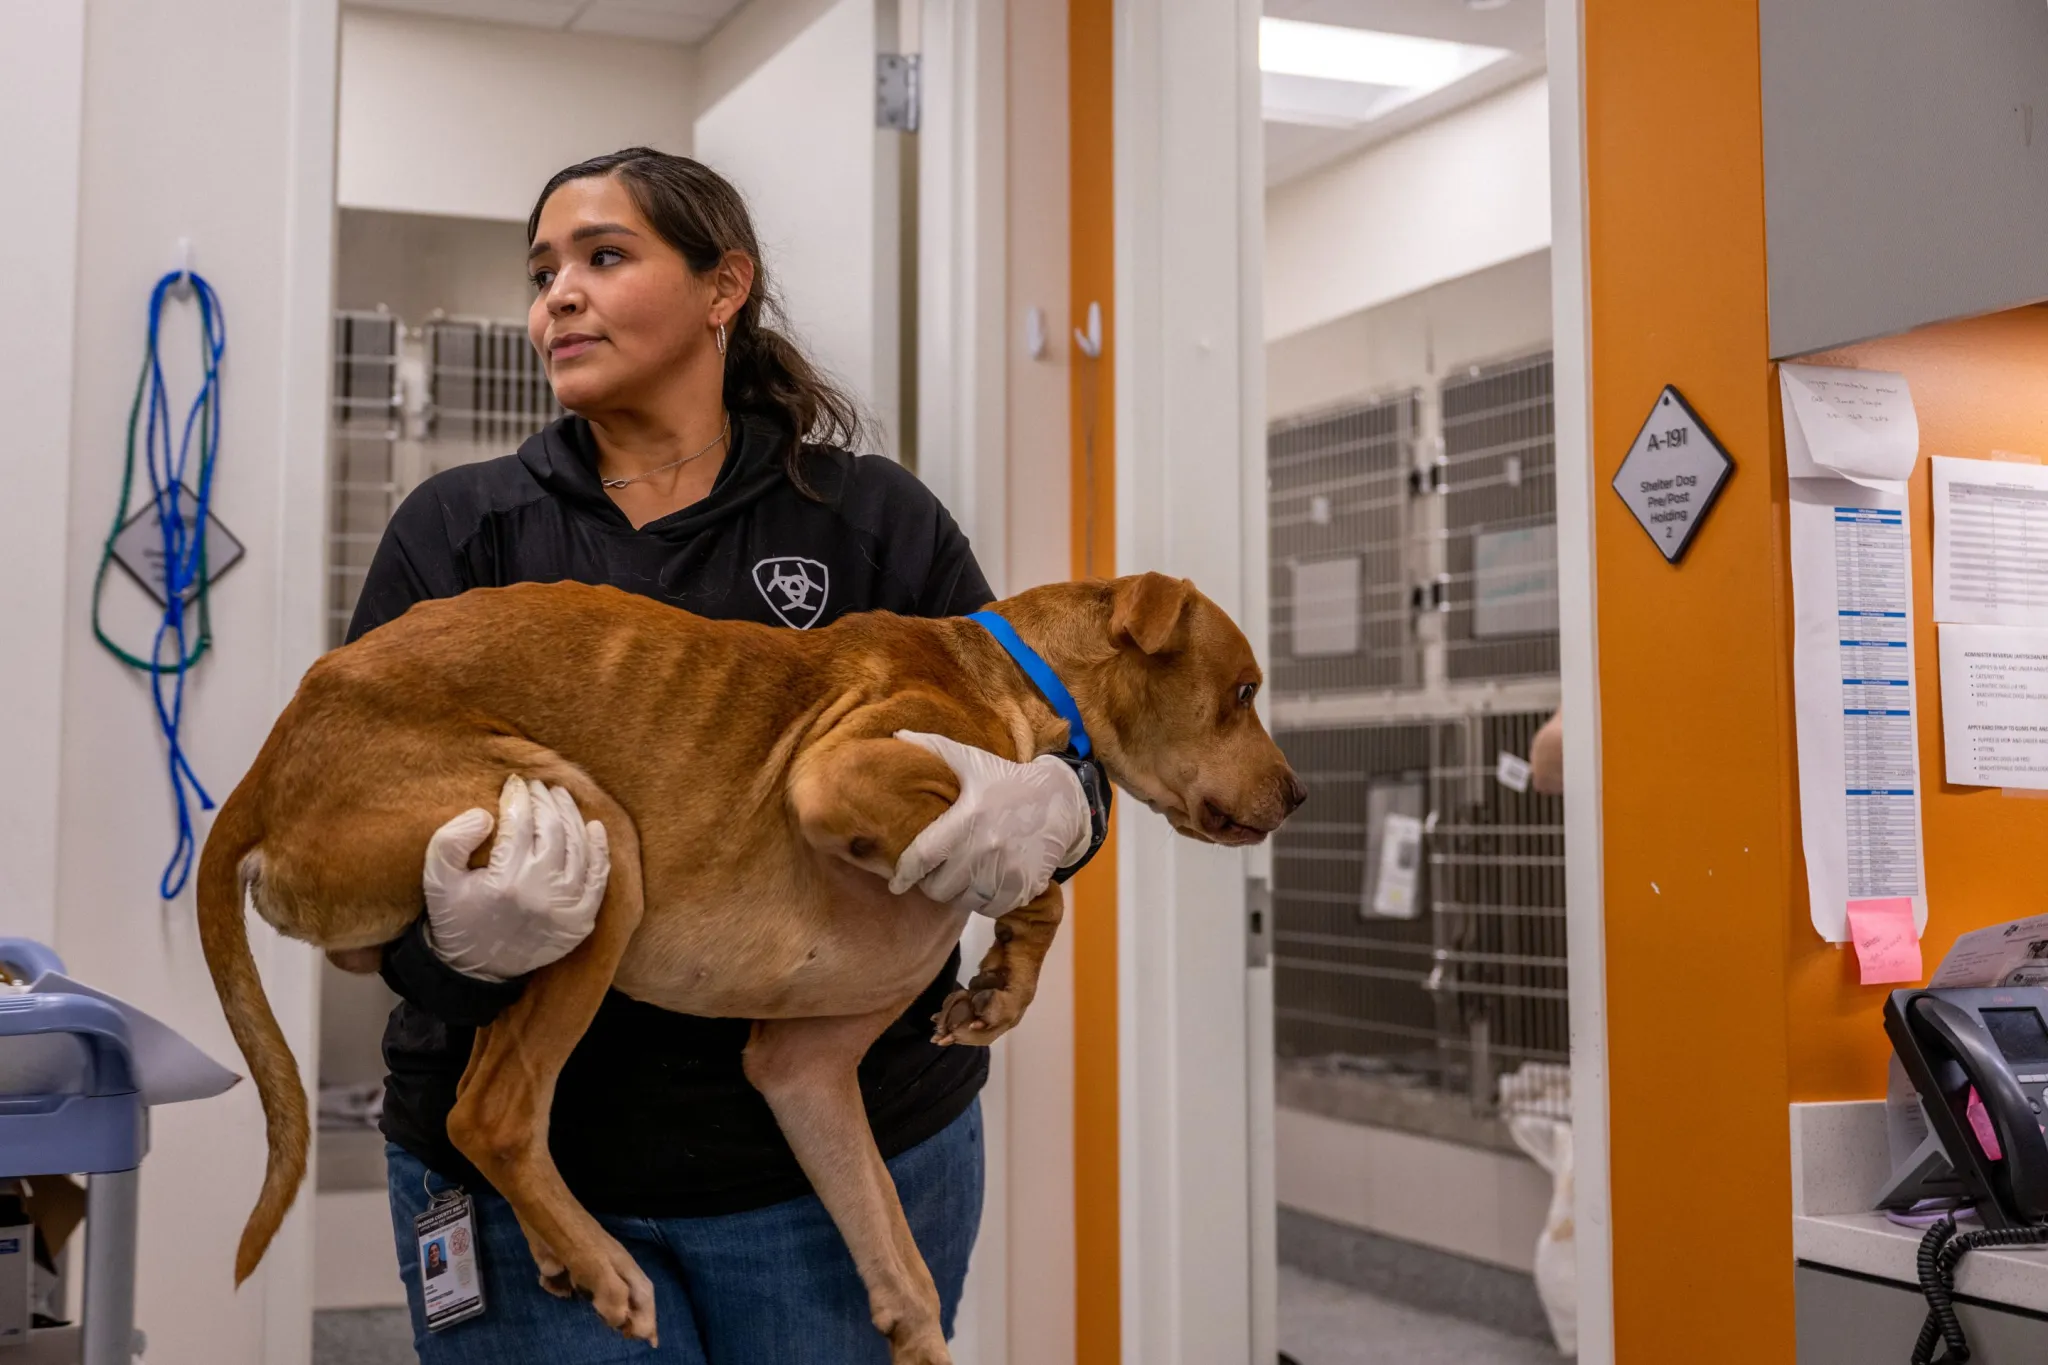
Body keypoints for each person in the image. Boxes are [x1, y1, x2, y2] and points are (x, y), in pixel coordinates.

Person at [354, 147, 1104, 1363]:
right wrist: (451, 948)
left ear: (723, 287)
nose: (558, 295)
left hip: (837, 1166)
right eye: (542, 273)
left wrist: (1058, 811)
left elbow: (1052, 746)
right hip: (519, 1169)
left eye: (603, 256)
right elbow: (359, 847)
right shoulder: (463, 531)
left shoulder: (869, 522)